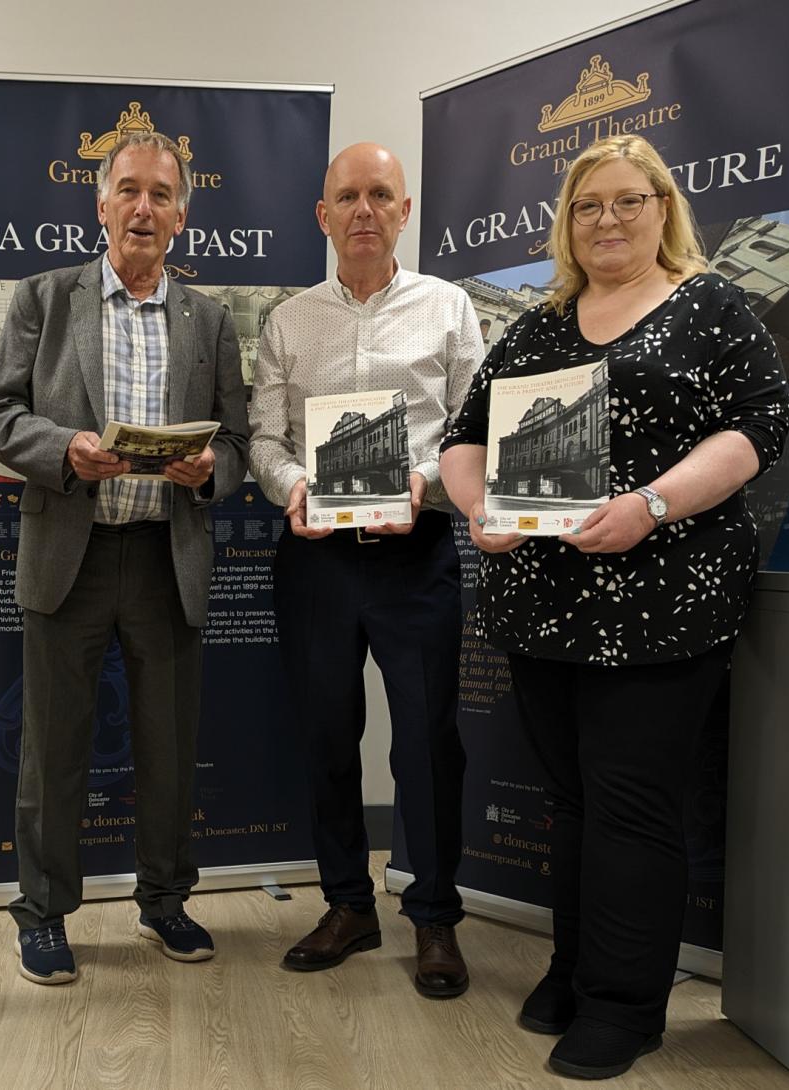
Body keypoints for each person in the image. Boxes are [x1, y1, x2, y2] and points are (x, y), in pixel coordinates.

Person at [440, 134, 789, 1080]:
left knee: (633, 807)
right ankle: (577, 965)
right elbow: (462, 440)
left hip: (664, 600)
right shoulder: (540, 325)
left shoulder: (712, 307)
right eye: (588, 205)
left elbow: (759, 427)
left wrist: (652, 504)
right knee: (573, 802)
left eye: (628, 202)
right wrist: (480, 510)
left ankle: (627, 1005)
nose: (608, 220)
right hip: (542, 602)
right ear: (568, 221)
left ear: (663, 208)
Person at [0, 132, 248, 983]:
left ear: (182, 216)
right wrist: (66, 451)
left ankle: (165, 901)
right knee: (54, 748)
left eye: (161, 194)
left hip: (167, 557)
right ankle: (45, 914)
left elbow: (237, 441)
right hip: (72, 553)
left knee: (170, 745)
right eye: (128, 190)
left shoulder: (210, 319)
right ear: (101, 205)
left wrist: (211, 473)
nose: (143, 208)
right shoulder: (44, 299)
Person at [249, 143, 482, 997]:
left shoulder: (450, 309)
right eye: (346, 196)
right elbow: (266, 437)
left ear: (405, 210)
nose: (363, 210)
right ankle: (347, 905)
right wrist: (293, 488)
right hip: (316, 558)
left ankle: (435, 918)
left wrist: (423, 483)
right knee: (323, 737)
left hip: (414, 555)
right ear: (322, 215)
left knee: (427, 744)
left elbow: (471, 430)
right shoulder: (288, 320)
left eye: (380, 194)